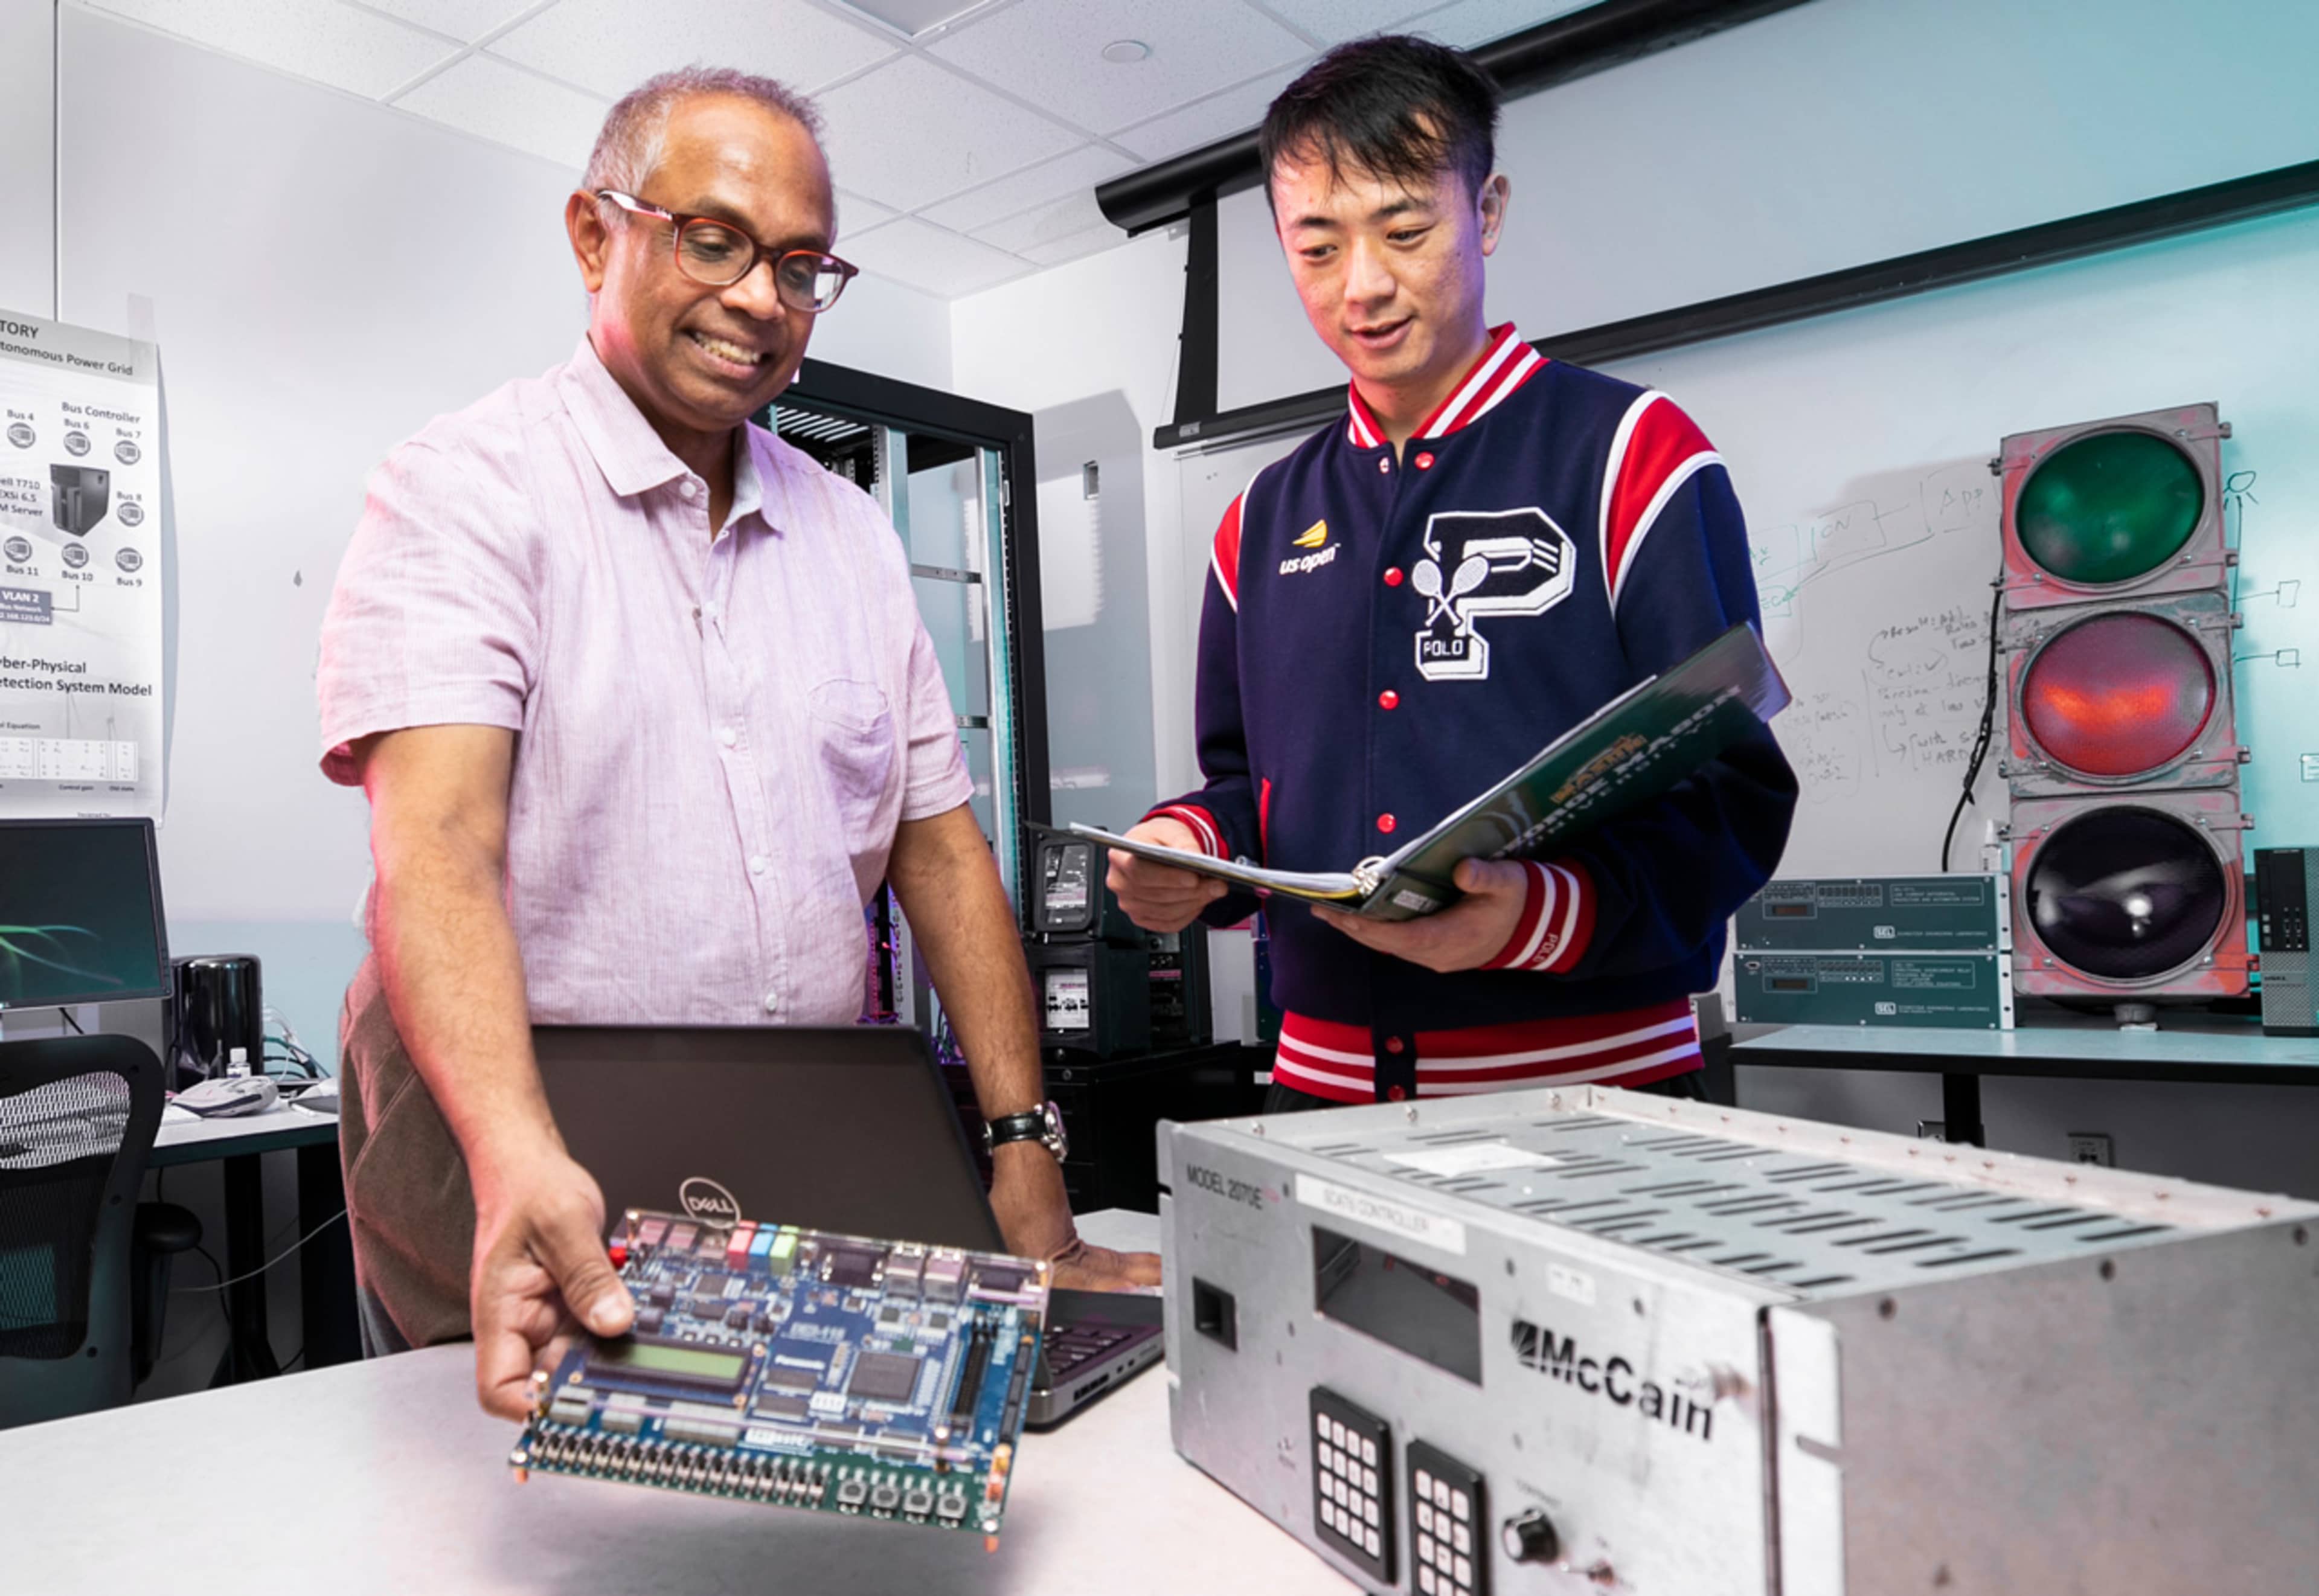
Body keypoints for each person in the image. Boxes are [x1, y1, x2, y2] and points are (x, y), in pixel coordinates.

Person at [318, 67, 1155, 1420]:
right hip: (510, 1109)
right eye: (714, 240)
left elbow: (939, 854)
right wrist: (518, 1151)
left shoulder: (853, 535)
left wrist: (1020, 1150)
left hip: (788, 1117)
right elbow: (440, 844)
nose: (763, 297)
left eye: (804, 266)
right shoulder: (465, 487)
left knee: (784, 1469)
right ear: (598, 235)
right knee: (525, 1493)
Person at [1108, 37, 1796, 1109]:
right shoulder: (1258, 522)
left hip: (1596, 1101)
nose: (1364, 288)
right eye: (1317, 247)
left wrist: (1535, 913)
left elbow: (1729, 792)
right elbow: (1250, 792)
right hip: (1318, 1100)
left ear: (1487, 212)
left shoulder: (1633, 455)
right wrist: (1185, 852)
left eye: (1405, 230)